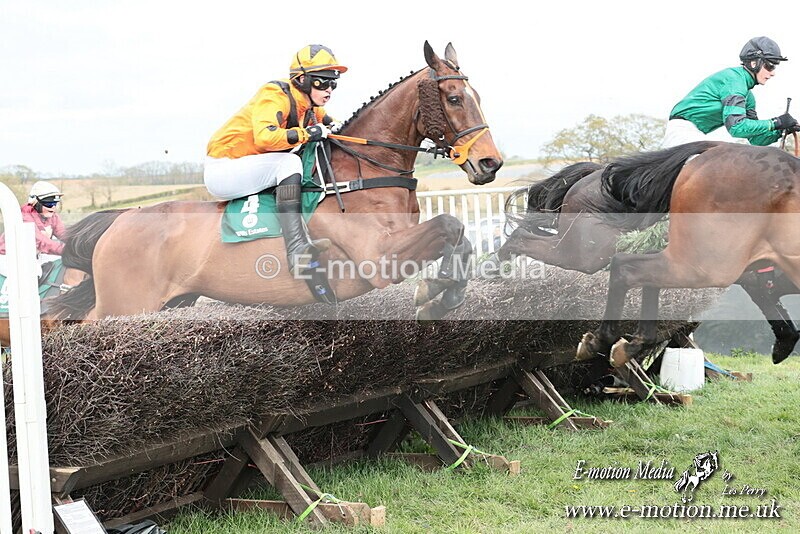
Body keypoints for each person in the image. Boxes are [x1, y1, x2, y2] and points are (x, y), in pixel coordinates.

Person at [204, 44, 347, 272]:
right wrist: (308, 133)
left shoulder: (310, 107)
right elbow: (265, 137)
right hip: (225, 169)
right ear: (303, 80)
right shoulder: (274, 95)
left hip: (248, 167)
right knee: (289, 162)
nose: (329, 89)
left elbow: (335, 126)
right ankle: (296, 249)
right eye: (323, 81)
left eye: (333, 82)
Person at [663, 36, 799, 148]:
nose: (773, 73)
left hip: (695, 133)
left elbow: (755, 139)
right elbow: (736, 127)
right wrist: (775, 122)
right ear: (754, 63)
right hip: (681, 131)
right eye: (770, 66)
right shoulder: (735, 81)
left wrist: (780, 129)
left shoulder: (748, 96)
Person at [0, 180, 66, 277]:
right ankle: (7, 291)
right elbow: (41, 241)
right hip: (9, 258)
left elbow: (64, 234)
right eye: (48, 204)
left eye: (55, 203)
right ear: (35, 202)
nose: (53, 207)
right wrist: (66, 250)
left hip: (33, 256)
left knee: (61, 264)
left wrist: (80, 244)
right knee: (35, 272)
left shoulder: (53, 216)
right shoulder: (24, 216)